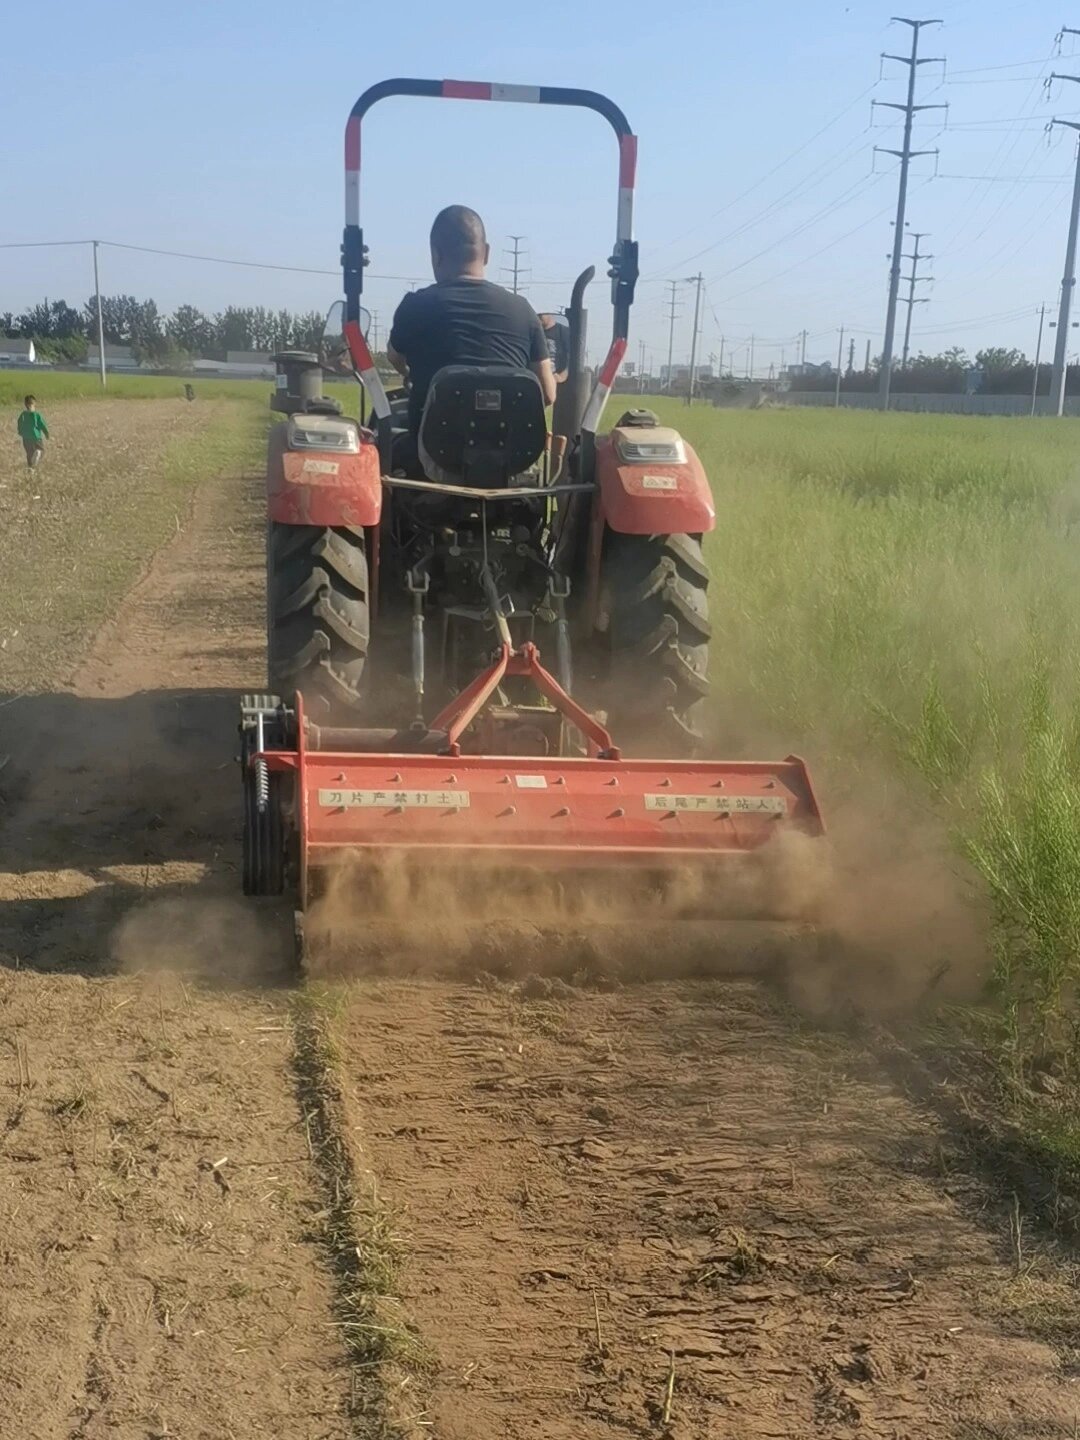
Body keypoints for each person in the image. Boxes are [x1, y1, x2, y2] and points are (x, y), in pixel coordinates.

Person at [388, 206, 557, 449]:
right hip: (510, 465)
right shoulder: (524, 311)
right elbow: (548, 394)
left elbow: (395, 357)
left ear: (435, 254)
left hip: (429, 460)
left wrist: (412, 375)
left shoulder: (415, 306)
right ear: (486, 253)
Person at [17, 395, 49, 470]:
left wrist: (20, 431)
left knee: (29, 454)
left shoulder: (23, 415)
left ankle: (31, 468)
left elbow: (20, 423)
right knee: (41, 451)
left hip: (26, 438)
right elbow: (42, 424)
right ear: (34, 404)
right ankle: (37, 454)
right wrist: (46, 433)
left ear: (25, 404)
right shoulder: (37, 415)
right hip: (36, 437)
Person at [537, 313, 569, 384]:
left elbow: (571, 359)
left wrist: (562, 377)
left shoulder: (564, 332)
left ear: (549, 314)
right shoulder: (533, 332)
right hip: (535, 380)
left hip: (556, 380)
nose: (538, 316)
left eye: (541, 314)